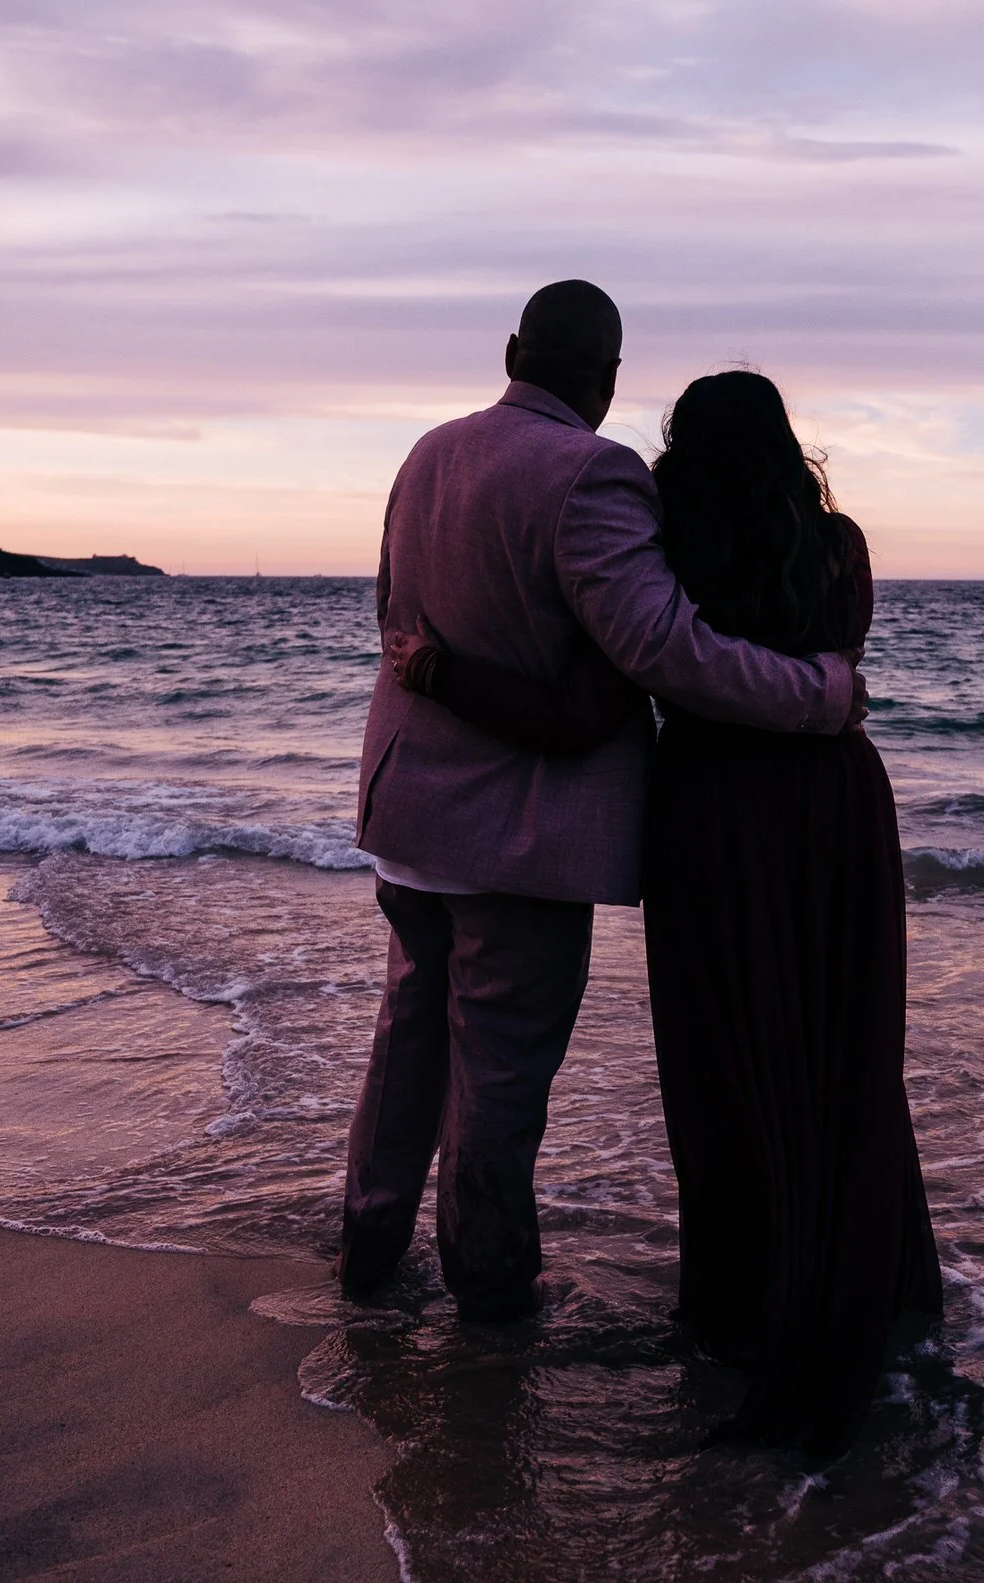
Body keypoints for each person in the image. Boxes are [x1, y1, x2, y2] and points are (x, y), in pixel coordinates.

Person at [387, 369, 941, 1456]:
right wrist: (820, 699)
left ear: (682, 448)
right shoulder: (840, 551)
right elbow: (837, 661)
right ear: (786, 447)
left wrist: (450, 675)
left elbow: (648, 668)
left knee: (727, 1061)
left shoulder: (665, 548)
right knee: (843, 1052)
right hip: (834, 806)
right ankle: (860, 1283)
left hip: (711, 813)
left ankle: (740, 1307)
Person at [345, 282, 863, 1325]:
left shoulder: (427, 453)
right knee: (498, 1072)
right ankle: (486, 1292)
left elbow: (389, 609)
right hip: (516, 837)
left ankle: (368, 1249)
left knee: (408, 1041)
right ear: (610, 376)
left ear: (510, 351)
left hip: (406, 819)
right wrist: (819, 693)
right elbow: (662, 648)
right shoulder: (592, 473)